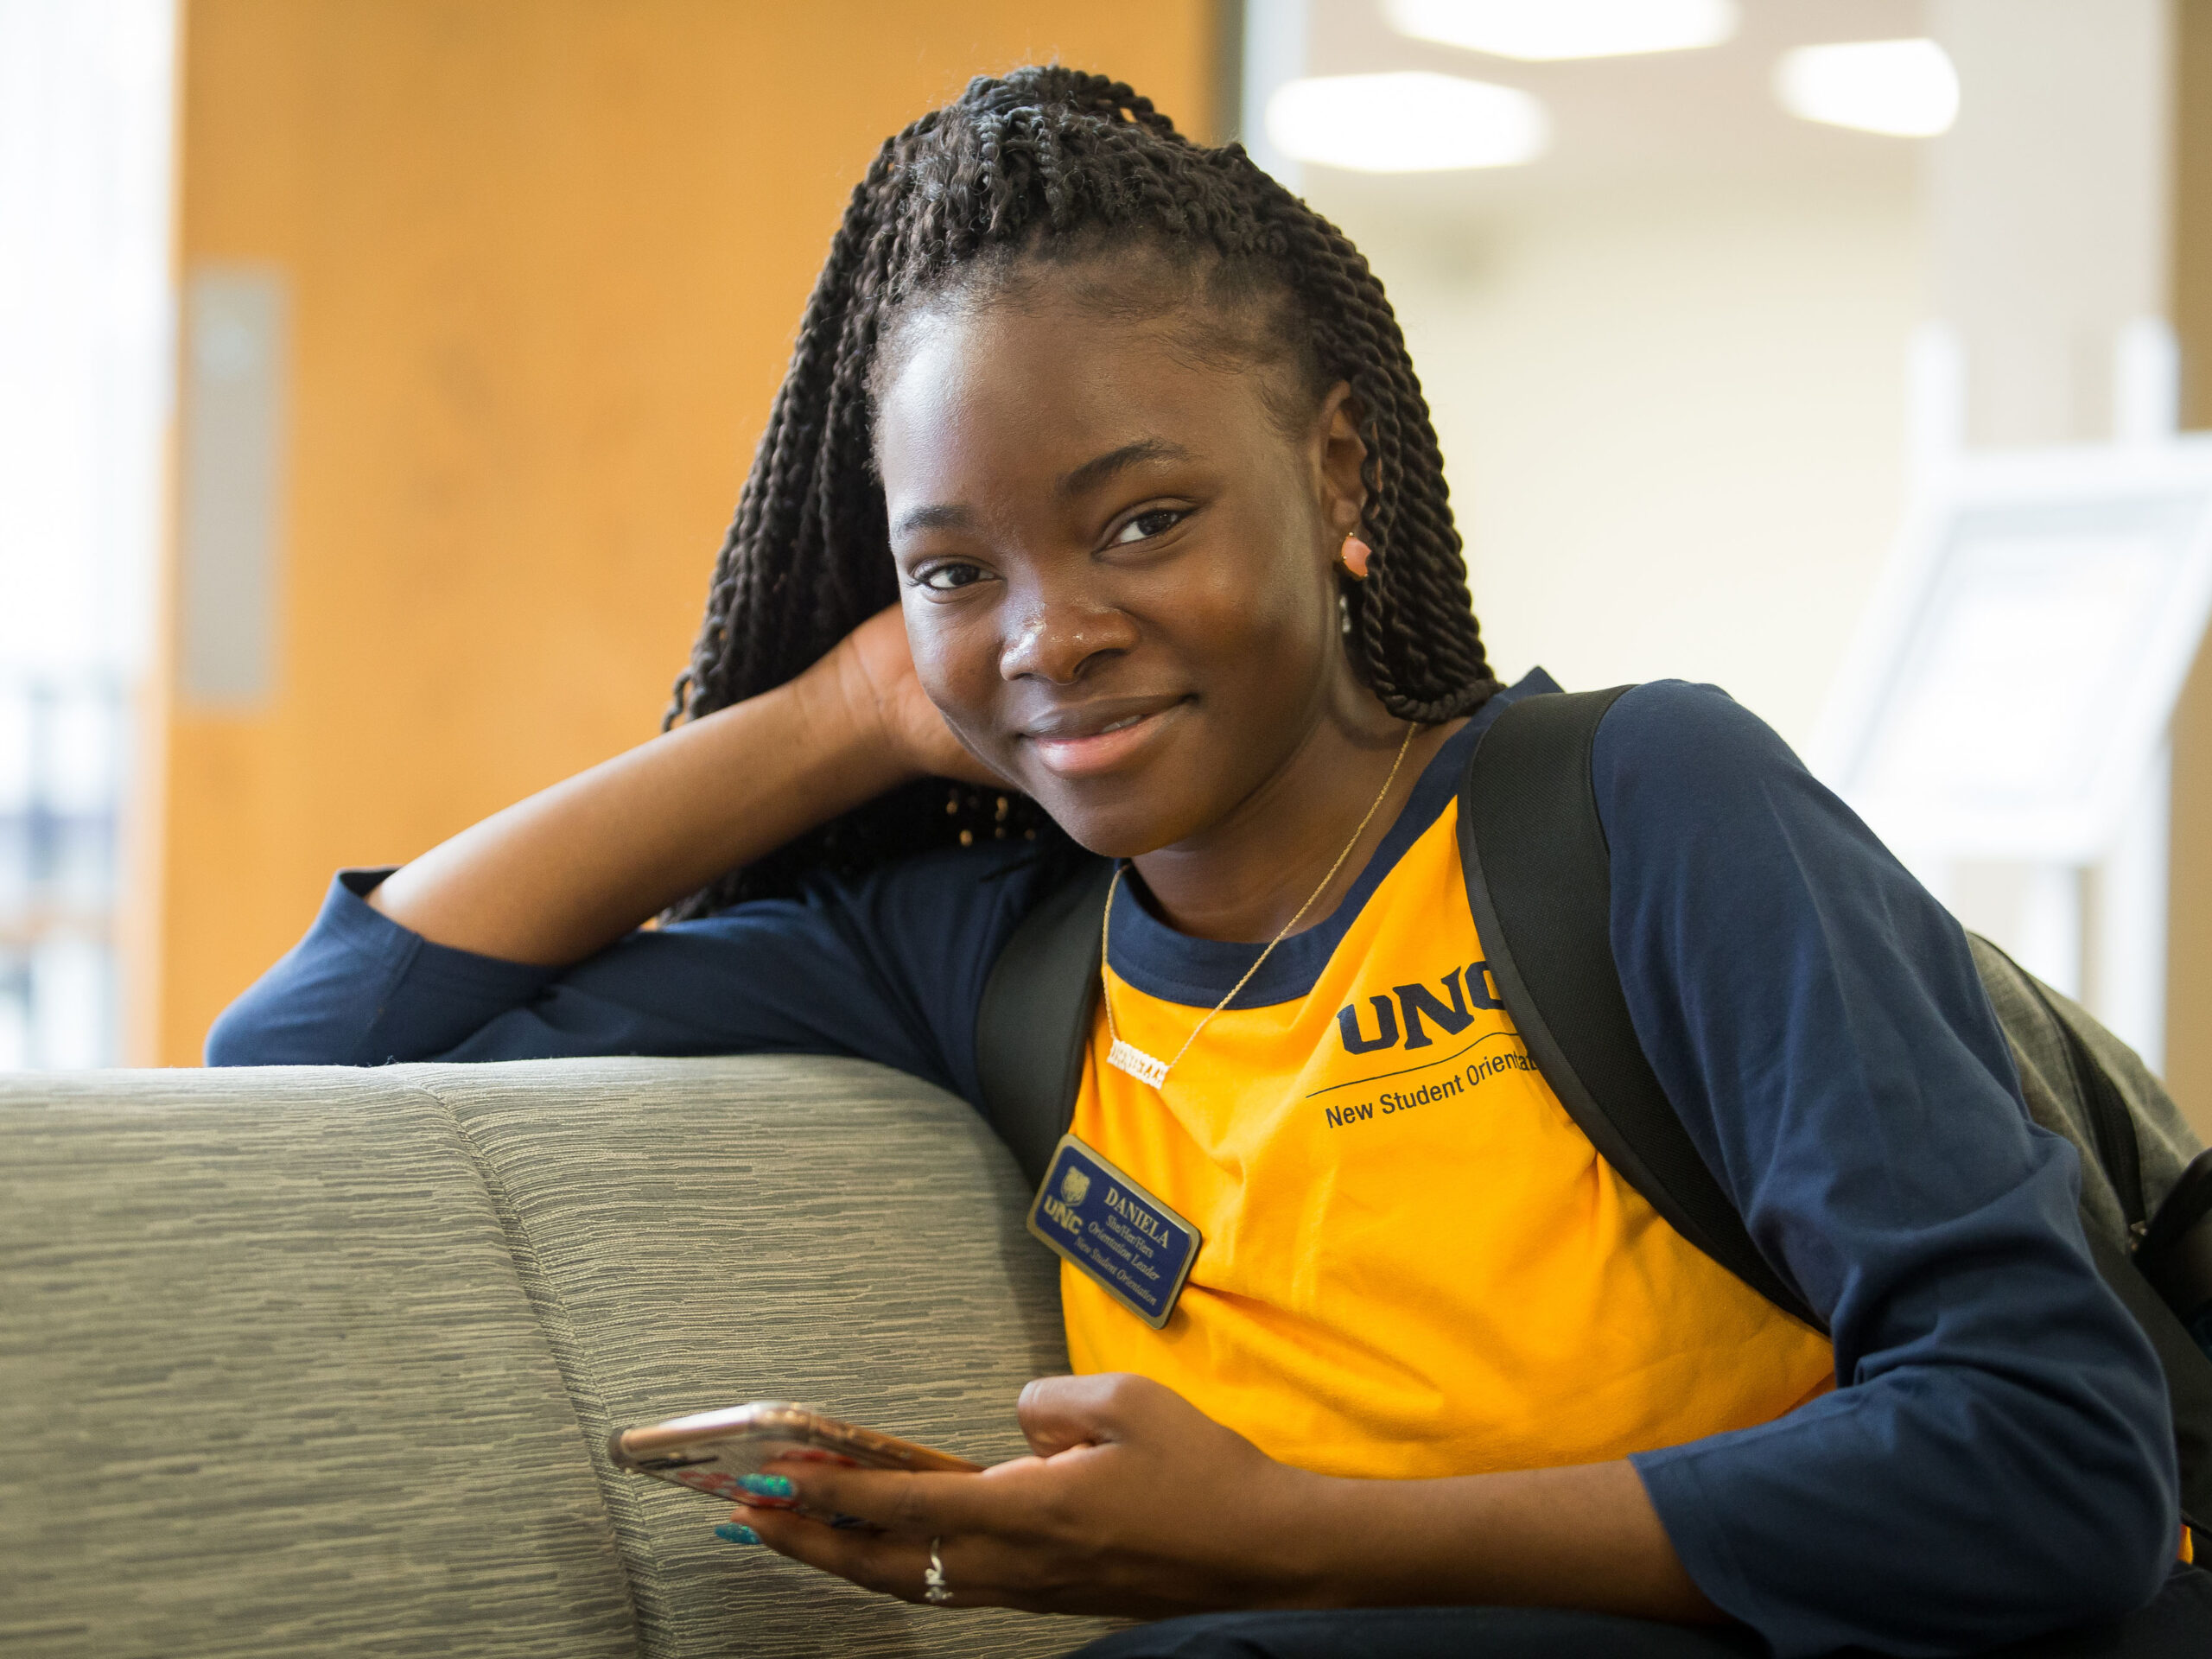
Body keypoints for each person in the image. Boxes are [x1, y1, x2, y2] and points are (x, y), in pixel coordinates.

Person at [208, 68, 2210, 1658]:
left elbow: (2047, 1460)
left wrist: (1298, 1549)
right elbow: (310, 1047)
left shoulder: (1637, 809)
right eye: (954, 566)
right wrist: (844, 713)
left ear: (1336, 477)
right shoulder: (994, 959)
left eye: (1141, 523)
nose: (1048, 633)